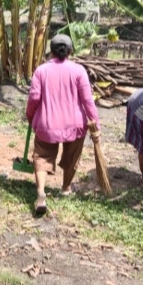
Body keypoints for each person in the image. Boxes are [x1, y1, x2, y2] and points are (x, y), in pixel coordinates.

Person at [26, 32, 100, 216]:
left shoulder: (41, 71)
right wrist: (95, 124)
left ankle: (41, 192)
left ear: (50, 51)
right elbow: (88, 101)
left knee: (42, 157)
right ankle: (65, 188)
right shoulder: (78, 70)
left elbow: (34, 98)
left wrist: (30, 116)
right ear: (70, 51)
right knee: (71, 158)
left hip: (47, 124)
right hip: (74, 126)